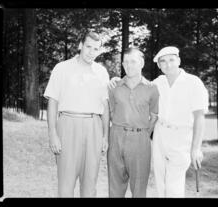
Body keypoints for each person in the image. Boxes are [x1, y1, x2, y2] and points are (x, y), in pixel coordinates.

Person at [108, 46, 208, 197]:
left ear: (179, 60)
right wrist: (115, 80)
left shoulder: (193, 82)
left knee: (173, 186)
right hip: (160, 136)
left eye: (171, 60)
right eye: (163, 61)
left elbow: (200, 117)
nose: (167, 64)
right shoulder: (157, 83)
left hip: (181, 137)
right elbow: (136, 85)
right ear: (159, 65)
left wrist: (196, 148)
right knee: (161, 184)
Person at [43, 31, 110, 197]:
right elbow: (53, 101)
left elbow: (106, 107)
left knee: (90, 185)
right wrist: (52, 133)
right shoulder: (62, 68)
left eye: (95, 49)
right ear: (80, 45)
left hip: (94, 127)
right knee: (66, 184)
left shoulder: (102, 72)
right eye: (88, 47)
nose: (91, 52)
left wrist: (105, 136)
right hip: (68, 125)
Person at [107, 48, 159, 197]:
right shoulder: (114, 87)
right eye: (126, 62)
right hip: (116, 138)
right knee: (115, 187)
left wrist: (142, 134)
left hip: (140, 140)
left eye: (133, 61)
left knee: (138, 189)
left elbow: (154, 117)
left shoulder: (152, 88)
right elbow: (110, 113)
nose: (129, 65)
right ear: (122, 64)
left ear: (141, 63)